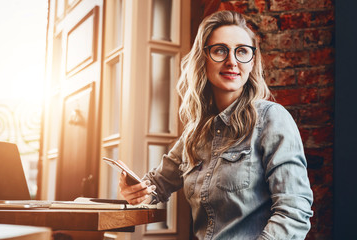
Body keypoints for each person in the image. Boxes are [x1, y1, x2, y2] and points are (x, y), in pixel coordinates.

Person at [120, 10, 313, 240]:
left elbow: (294, 212)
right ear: (204, 59)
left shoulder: (271, 119)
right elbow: (156, 185)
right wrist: (136, 192)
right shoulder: (194, 134)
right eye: (220, 50)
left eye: (242, 51)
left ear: (252, 62)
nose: (232, 61)